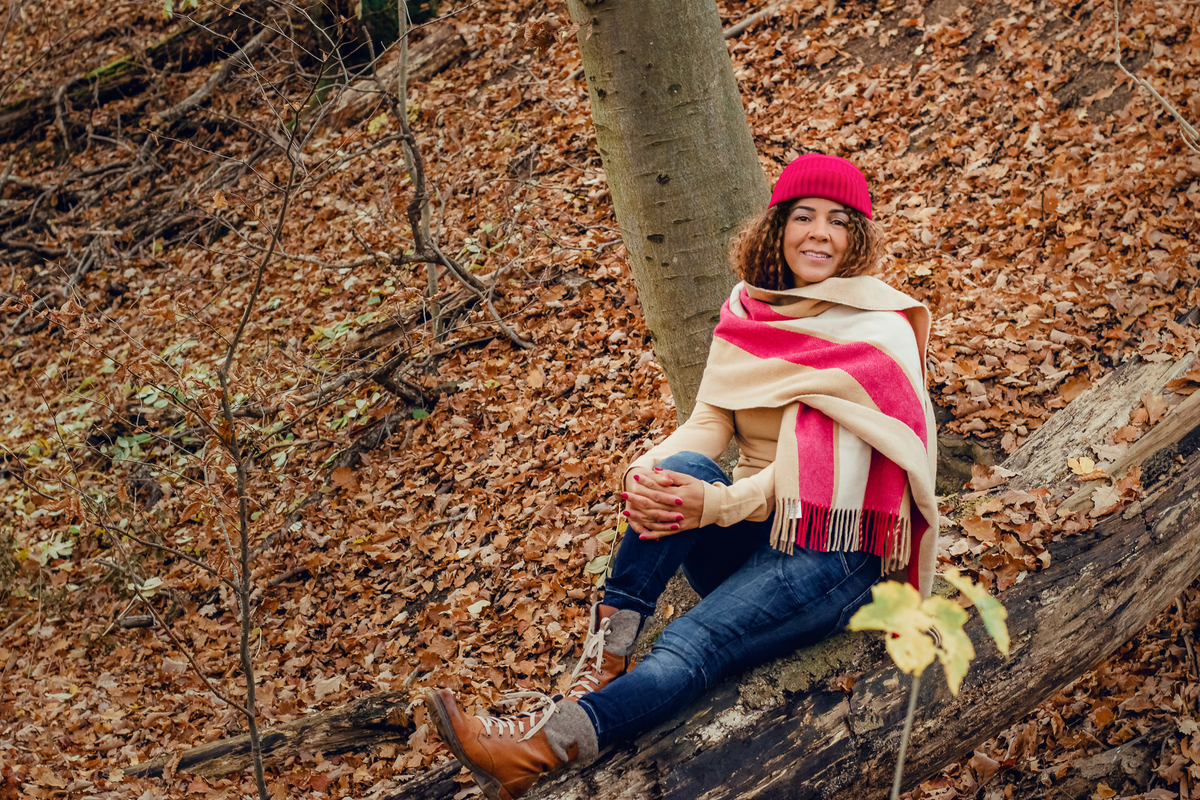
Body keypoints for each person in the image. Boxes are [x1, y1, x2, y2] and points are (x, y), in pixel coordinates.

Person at [425, 153, 939, 800]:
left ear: (856, 237)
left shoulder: (879, 330)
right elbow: (708, 423)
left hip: (834, 555)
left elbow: (818, 470)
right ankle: (607, 656)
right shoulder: (750, 312)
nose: (819, 233)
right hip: (755, 538)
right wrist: (645, 473)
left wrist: (718, 506)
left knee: (693, 640)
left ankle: (538, 749)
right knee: (680, 469)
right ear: (777, 226)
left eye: (838, 221)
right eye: (804, 216)